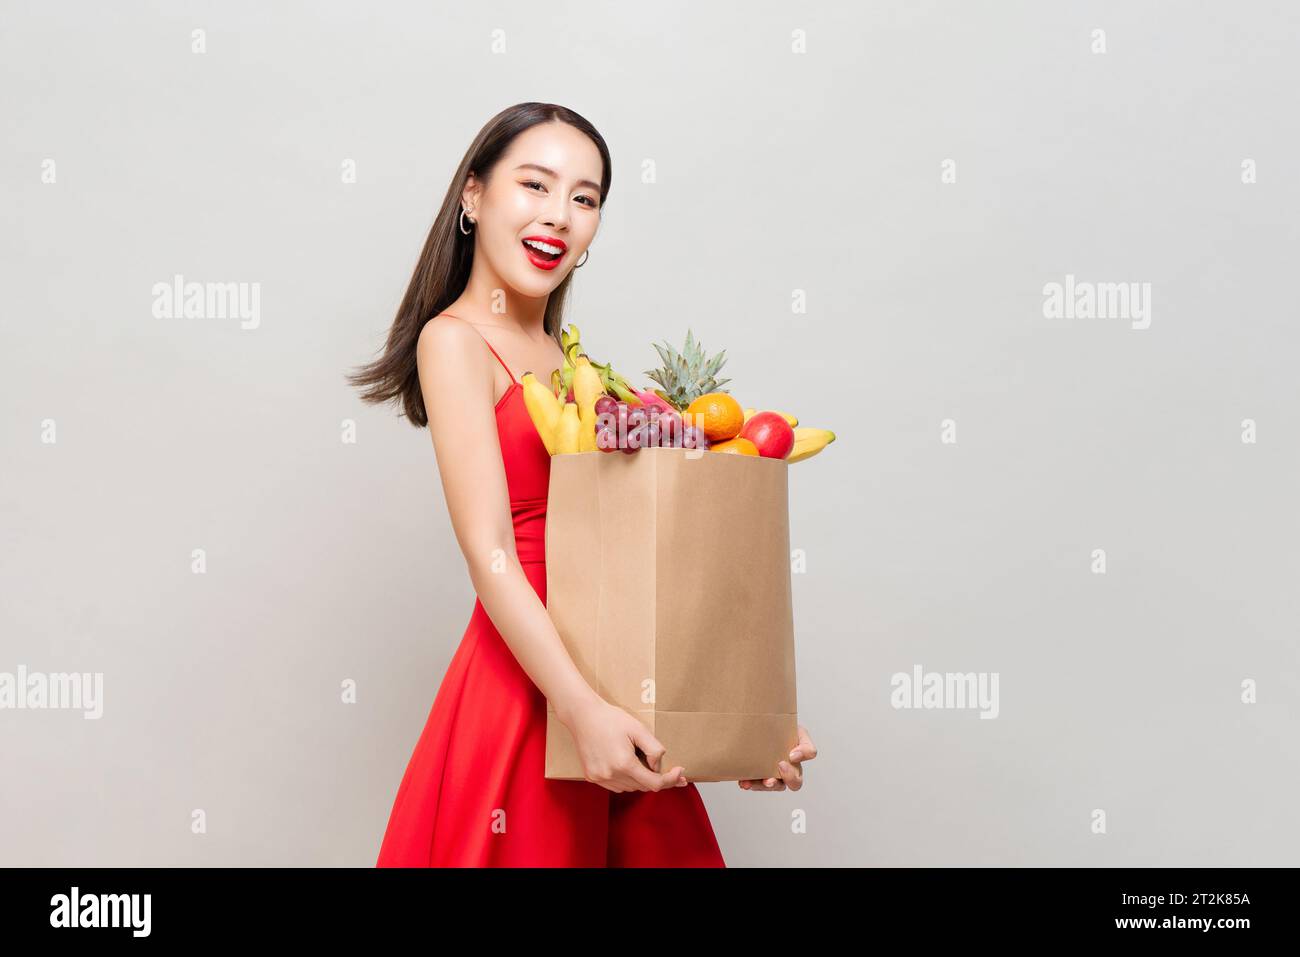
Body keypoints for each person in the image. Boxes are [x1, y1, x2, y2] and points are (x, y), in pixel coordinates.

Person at [349, 102, 817, 867]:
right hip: (529, 690)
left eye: (585, 197)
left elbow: (652, 562)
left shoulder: (581, 370)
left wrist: (747, 724)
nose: (559, 216)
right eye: (534, 185)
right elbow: (490, 551)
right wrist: (578, 707)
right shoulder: (454, 340)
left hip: (610, 679)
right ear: (472, 195)